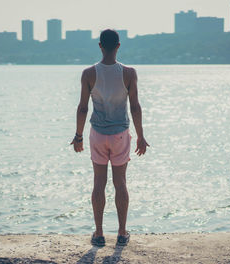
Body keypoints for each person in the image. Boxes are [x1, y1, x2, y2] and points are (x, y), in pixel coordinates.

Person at [71, 29, 149, 247]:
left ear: (99, 46)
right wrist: (141, 136)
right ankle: (122, 233)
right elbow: (135, 107)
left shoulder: (88, 73)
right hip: (120, 135)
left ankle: (98, 233)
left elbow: (82, 108)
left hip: (97, 134)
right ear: (118, 46)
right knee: (120, 183)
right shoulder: (129, 73)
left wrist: (78, 136)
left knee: (99, 182)